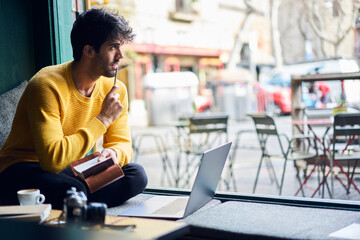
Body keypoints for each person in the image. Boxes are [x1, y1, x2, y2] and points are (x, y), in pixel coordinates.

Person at [0, 8, 147, 209]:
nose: (121, 55)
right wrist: (102, 120)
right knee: (73, 189)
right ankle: (79, 198)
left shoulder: (115, 89)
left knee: (136, 175)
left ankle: (78, 201)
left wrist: (113, 153)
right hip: (21, 168)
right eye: (113, 47)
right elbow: (52, 160)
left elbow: (123, 144)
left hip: (72, 169)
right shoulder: (47, 85)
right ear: (89, 50)